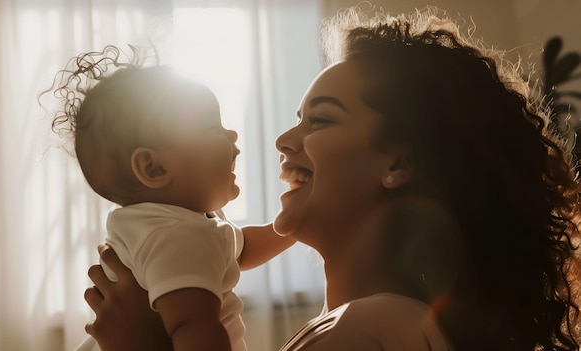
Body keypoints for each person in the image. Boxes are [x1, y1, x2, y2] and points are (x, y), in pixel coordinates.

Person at [81, 6, 581, 351]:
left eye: (319, 120)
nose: (282, 140)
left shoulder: (364, 331)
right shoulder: (376, 324)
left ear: (397, 166)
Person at [46, 46, 295, 351]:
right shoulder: (176, 236)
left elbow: (239, 250)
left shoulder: (178, 223)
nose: (232, 134)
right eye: (211, 127)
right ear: (154, 168)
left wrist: (293, 225)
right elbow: (194, 328)